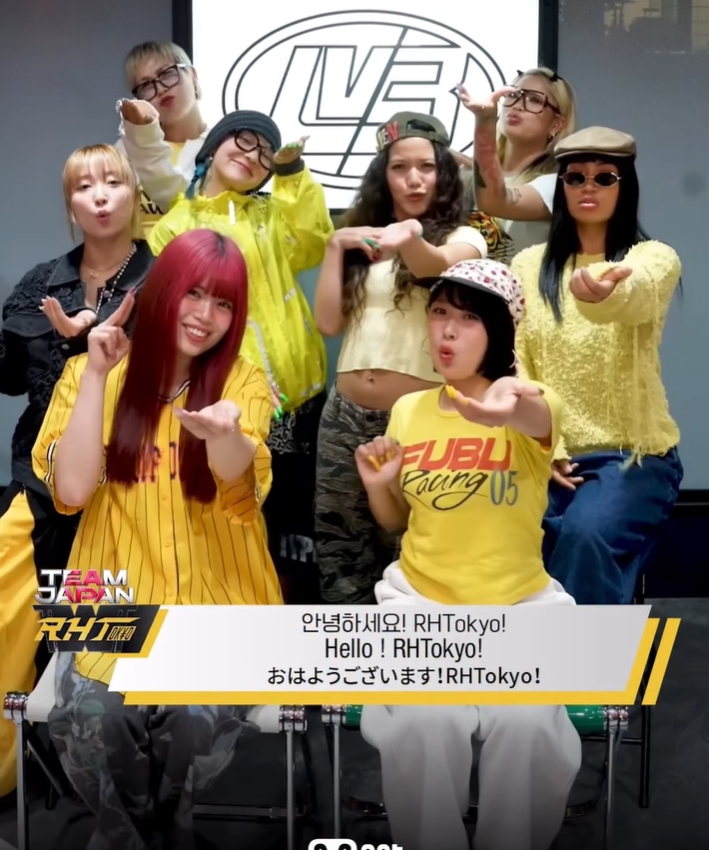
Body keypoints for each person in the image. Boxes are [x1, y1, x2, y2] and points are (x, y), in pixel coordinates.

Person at [32, 229, 282, 850]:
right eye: (194, 293)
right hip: (108, 591)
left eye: (223, 303)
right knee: (97, 718)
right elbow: (71, 491)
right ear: (164, 290)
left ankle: (143, 846)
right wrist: (94, 375)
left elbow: (241, 483)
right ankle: (142, 848)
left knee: (190, 719)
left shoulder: (243, 381)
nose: (205, 315)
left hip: (219, 597)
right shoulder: (91, 374)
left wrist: (225, 434)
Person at [354, 259, 581, 850]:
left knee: (528, 727)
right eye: (439, 313)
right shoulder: (408, 410)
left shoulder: (534, 402)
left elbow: (534, 416)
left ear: (500, 332)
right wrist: (379, 488)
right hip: (420, 602)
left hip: (521, 608)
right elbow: (399, 522)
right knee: (425, 723)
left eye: (468, 318)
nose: (447, 331)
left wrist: (509, 402)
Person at [0, 144, 152, 798]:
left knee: (105, 638)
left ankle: (119, 778)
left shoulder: (161, 278)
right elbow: (8, 377)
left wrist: (101, 346)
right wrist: (62, 339)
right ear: (70, 203)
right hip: (41, 481)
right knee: (14, 611)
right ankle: (15, 772)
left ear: (134, 193)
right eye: (84, 186)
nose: (99, 195)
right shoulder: (42, 281)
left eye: (112, 181)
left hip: (134, 488)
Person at [148, 111, 333, 604]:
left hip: (304, 399)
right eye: (244, 141)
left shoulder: (272, 214)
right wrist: (237, 378)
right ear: (214, 144)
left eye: (265, 154)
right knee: (241, 519)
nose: (253, 156)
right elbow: (178, 320)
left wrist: (292, 174)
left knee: (299, 533)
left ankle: (293, 635)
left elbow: (313, 242)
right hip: (231, 402)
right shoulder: (174, 227)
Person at [313, 112, 488, 605]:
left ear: (444, 173)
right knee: (340, 541)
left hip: (420, 415)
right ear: (383, 175)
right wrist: (336, 245)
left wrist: (408, 234)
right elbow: (328, 323)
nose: (414, 179)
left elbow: (434, 266)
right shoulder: (361, 236)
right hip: (344, 413)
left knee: (411, 538)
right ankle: (351, 647)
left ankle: (412, 648)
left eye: (426, 167)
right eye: (400, 167)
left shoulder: (464, 235)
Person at [512, 127, 683, 605]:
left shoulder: (652, 257)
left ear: (625, 186)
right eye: (575, 177)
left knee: (585, 536)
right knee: (504, 540)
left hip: (632, 455)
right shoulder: (528, 265)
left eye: (605, 177)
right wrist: (548, 444)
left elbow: (635, 293)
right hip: (545, 453)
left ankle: (574, 651)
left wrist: (604, 294)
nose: (589, 187)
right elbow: (517, 360)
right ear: (562, 186)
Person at [456, 67, 577, 261]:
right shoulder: (466, 174)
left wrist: (485, 121)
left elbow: (496, 201)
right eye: (513, 95)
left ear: (556, 124)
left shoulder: (558, 183)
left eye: (535, 100)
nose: (518, 105)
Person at [116, 40, 209, 234]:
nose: (160, 88)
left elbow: (194, 211)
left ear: (193, 75)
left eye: (167, 73)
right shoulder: (126, 150)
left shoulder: (222, 148)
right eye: (146, 85)